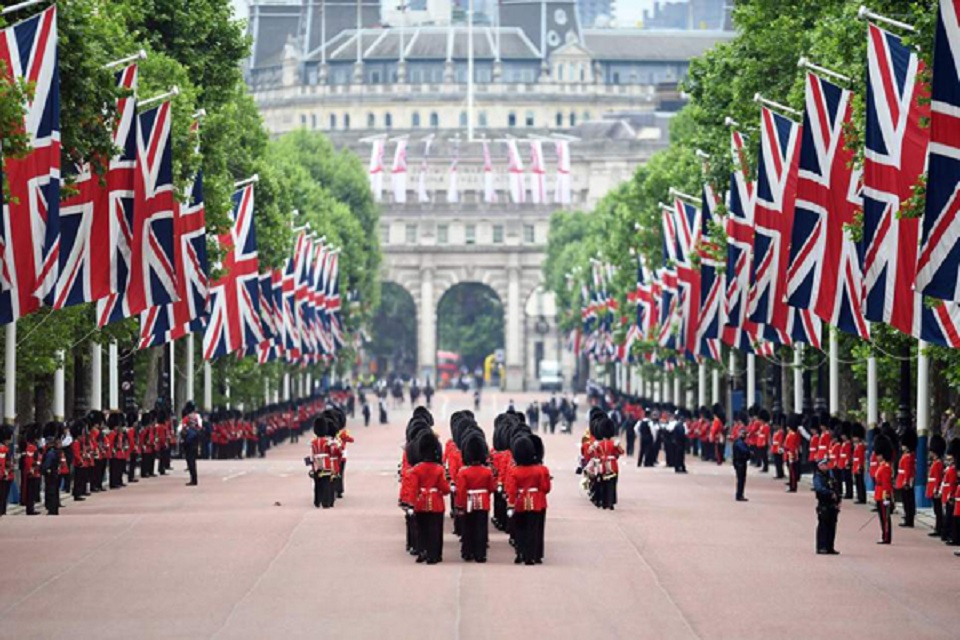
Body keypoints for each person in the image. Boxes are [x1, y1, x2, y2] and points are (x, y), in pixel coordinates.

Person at [506, 435, 551, 565]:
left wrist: (510, 504)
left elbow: (512, 490)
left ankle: (520, 552)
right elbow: (545, 488)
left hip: (520, 502)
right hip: (535, 502)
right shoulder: (539, 471)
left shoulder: (515, 471)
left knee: (520, 529)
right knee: (533, 529)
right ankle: (530, 556)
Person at [408, 431, 450, 564]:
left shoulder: (416, 469)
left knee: (421, 528)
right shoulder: (439, 469)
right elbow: (445, 488)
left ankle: (422, 551)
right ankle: (434, 554)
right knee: (435, 529)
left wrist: (411, 504)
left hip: (420, 501)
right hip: (436, 502)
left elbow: (413, 488)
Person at [455, 431, 495, 563]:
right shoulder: (487, 471)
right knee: (481, 528)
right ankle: (480, 553)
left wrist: (460, 505)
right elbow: (492, 488)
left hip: (468, 502)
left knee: (468, 527)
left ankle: (468, 552)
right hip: (483, 501)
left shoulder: (463, 472)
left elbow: (461, 491)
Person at [813, 456, 841, 555]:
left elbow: (836, 487)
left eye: (827, 464)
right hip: (824, 503)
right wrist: (830, 493)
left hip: (832, 504)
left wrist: (838, 500)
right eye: (824, 464)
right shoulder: (818, 476)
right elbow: (819, 488)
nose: (826, 466)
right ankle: (821, 547)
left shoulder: (830, 475)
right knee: (823, 526)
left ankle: (830, 547)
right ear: (820, 466)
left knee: (832, 526)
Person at [874, 434, 894, 545]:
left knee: (885, 518)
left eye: (879, 455)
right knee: (882, 517)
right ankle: (884, 535)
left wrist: (887, 497)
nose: (877, 457)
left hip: (883, 495)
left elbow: (886, 484)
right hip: (879, 493)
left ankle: (886, 536)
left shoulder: (886, 467)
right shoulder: (881, 466)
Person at [896, 429, 917, 528]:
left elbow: (908, 471)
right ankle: (908, 517)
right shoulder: (907, 455)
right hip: (903, 479)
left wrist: (906, 481)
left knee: (907, 501)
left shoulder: (908, 456)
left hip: (906, 481)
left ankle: (909, 519)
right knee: (906, 500)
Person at [927, 434, 947, 539]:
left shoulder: (938, 463)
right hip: (932, 487)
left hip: (935, 489)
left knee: (938, 510)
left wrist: (936, 490)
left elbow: (938, 478)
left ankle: (940, 528)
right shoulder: (935, 462)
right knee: (936, 510)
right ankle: (938, 527)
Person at [41, 423, 61, 516]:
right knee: (54, 491)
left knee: (51, 491)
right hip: (55, 473)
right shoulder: (55, 451)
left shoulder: (51, 452)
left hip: (51, 473)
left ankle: (52, 509)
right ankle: (54, 508)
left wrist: (43, 470)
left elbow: (47, 464)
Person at [180, 401, 201, 486]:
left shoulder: (186, 418)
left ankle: (193, 479)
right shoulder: (196, 417)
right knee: (193, 460)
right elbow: (199, 427)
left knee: (190, 460)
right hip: (195, 439)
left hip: (189, 441)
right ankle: (194, 478)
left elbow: (183, 429)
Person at [733, 427, 749, 502]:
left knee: (741, 479)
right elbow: (744, 451)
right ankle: (739, 495)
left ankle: (740, 494)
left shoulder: (738, 442)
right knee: (741, 480)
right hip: (740, 462)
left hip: (740, 462)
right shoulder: (739, 443)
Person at [0, 425, 14, 517]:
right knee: (3, 496)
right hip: (4, 475)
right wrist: (6, 472)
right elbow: (6, 463)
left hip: (4, 474)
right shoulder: (4, 449)